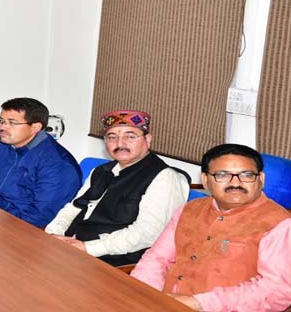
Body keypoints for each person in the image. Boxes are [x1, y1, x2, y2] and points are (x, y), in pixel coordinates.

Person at [131, 144, 291, 311]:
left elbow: (278, 290)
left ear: (261, 179)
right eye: (222, 175)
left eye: (247, 175)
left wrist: (198, 303)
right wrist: (147, 294)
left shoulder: (280, 225)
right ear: (205, 180)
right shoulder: (190, 209)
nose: (235, 183)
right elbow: (157, 258)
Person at [45, 110, 189, 266]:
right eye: (112, 137)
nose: (120, 144)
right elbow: (75, 207)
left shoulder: (165, 178)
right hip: (72, 246)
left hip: (113, 260)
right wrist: (54, 233)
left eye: (130, 136)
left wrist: (88, 248)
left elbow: (147, 234)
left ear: (148, 139)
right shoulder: (100, 171)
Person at [0, 98, 81, 227]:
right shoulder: (2, 147)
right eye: (1, 121)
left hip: (24, 227)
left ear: (35, 127)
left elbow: (40, 216)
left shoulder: (58, 164)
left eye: (12, 123)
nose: (2, 127)